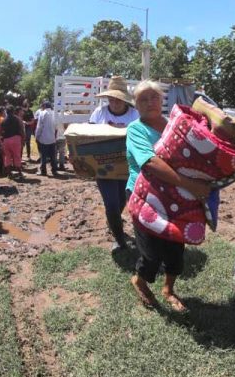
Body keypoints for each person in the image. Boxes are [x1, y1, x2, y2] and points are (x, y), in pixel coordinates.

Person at [125, 80, 210, 312]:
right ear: (136, 105)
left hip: (176, 197)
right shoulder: (136, 129)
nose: (150, 102)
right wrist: (190, 184)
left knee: (175, 250)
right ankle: (140, 281)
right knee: (151, 253)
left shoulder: (174, 125)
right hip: (145, 197)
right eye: (143, 98)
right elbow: (150, 163)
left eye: (154, 97)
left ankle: (168, 290)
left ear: (162, 99)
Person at [88, 76, 140, 252]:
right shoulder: (99, 113)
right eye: (112, 98)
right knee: (111, 203)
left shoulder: (135, 115)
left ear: (125, 99)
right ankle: (119, 240)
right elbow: (87, 138)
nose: (115, 102)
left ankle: (113, 221)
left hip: (128, 167)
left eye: (119, 99)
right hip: (104, 168)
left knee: (120, 202)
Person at [1, 104, 26, 178]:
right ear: (13, 111)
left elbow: (0, 131)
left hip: (6, 140)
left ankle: (9, 173)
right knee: (17, 156)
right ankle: (19, 173)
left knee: (7, 156)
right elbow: (21, 130)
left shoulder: (4, 120)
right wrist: (23, 139)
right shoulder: (18, 119)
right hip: (16, 139)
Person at [34, 100, 57, 176]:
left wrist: (37, 136)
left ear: (44, 106)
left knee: (43, 156)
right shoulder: (54, 113)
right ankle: (54, 170)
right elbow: (56, 127)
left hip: (44, 138)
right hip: (52, 138)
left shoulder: (42, 113)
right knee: (53, 156)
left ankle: (43, 171)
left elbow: (39, 127)